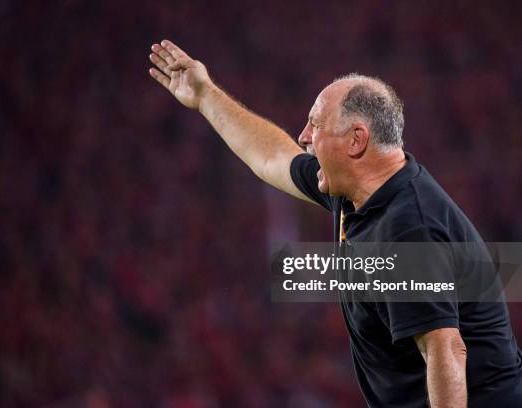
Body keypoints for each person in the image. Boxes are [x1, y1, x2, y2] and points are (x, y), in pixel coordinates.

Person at [148, 39, 522, 407]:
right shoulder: (357, 188)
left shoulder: (408, 231)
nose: (304, 137)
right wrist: (205, 96)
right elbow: (274, 157)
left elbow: (447, 351)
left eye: (315, 124)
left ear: (356, 140)